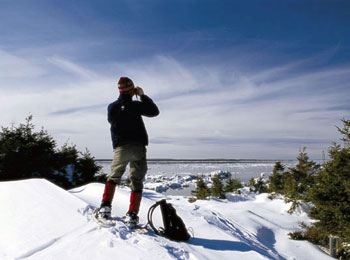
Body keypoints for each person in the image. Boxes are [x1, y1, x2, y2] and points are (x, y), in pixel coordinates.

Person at [96, 76, 159, 226]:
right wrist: (142, 95)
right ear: (132, 90)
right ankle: (132, 215)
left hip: (121, 147)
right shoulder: (136, 105)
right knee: (137, 181)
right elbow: (154, 111)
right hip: (138, 147)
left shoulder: (112, 107)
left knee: (114, 177)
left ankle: (105, 208)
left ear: (119, 90)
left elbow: (112, 121)